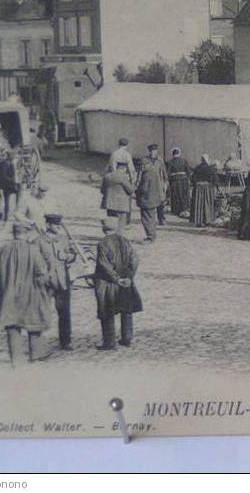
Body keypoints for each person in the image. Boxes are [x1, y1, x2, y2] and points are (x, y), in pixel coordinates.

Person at [0, 221, 51, 366]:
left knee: (12, 326)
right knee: (34, 321)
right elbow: (41, 272)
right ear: (27, 233)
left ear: (14, 233)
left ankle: (15, 359)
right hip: (30, 294)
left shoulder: (1, 250)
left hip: (8, 294)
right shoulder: (33, 250)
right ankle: (35, 355)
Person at [93, 217, 142, 350]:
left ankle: (109, 342)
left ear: (103, 228)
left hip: (108, 283)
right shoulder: (124, 241)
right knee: (126, 310)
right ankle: (127, 338)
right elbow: (135, 259)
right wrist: (129, 277)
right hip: (126, 281)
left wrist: (116, 279)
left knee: (107, 310)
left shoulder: (103, 244)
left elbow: (104, 265)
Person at [34, 213, 75, 351]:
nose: (58, 227)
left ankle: (66, 341)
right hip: (46, 283)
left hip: (62, 281)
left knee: (64, 312)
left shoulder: (63, 239)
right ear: (47, 225)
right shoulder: (38, 241)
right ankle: (38, 343)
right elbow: (33, 262)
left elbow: (73, 255)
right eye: (55, 225)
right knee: (41, 312)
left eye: (59, 225)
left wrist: (67, 256)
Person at [136, 144, 167, 243]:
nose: (153, 152)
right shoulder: (144, 161)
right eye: (152, 151)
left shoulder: (159, 161)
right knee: (151, 214)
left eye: (155, 151)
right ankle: (152, 234)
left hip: (153, 192)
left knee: (148, 215)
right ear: (149, 152)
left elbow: (165, 175)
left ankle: (151, 235)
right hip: (151, 191)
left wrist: (164, 187)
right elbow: (139, 177)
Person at [0, 150, 21, 222]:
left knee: (17, 196)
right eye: (12, 156)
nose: (14, 158)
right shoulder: (5, 163)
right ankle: (5, 215)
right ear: (9, 156)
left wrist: (18, 175)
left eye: (15, 156)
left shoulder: (16, 162)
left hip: (15, 182)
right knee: (6, 200)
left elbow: (19, 171)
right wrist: (12, 179)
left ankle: (16, 212)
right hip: (8, 184)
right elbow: (3, 175)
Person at [101, 163, 134, 227]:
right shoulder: (123, 177)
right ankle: (118, 236)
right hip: (121, 205)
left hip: (109, 203)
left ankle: (111, 236)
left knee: (111, 223)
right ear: (124, 168)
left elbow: (102, 191)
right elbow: (130, 190)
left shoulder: (107, 176)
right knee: (120, 224)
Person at [190, 155, 218, 227]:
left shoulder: (197, 168)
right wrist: (215, 186)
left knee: (198, 204)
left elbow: (192, 178)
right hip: (208, 188)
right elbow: (215, 179)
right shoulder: (210, 168)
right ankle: (207, 220)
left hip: (198, 188)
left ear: (202, 160)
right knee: (207, 204)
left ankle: (199, 221)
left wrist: (195, 184)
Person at [166, 148, 191, 217]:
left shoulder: (170, 162)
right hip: (183, 180)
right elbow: (188, 171)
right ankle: (184, 208)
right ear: (179, 154)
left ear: (172, 154)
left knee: (175, 195)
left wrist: (170, 179)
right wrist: (188, 178)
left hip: (174, 181)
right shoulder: (184, 161)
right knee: (183, 195)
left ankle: (175, 210)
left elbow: (168, 173)